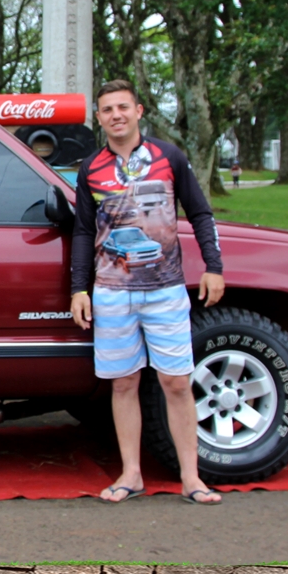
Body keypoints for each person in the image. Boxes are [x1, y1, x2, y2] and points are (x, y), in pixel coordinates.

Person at [69, 80, 226, 505]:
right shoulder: (91, 168)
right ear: (98, 118)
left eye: (123, 107)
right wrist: (79, 288)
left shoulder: (168, 157)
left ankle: (191, 478)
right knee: (123, 384)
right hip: (112, 293)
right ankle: (131, 474)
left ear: (138, 111)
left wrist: (214, 266)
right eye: (107, 110)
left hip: (165, 290)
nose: (116, 115)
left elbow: (200, 212)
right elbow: (83, 231)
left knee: (176, 382)